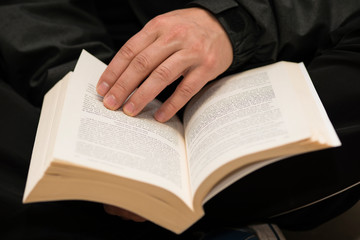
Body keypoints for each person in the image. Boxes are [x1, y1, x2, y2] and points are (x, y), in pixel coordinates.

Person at [0, 0, 359, 239]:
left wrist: (231, 24)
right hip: (111, 56)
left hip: (278, 62)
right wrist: (89, 83)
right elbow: (33, 12)